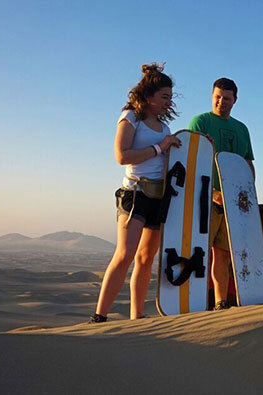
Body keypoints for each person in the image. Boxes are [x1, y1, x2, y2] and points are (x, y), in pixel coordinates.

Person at [90, 63, 182, 323]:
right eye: (164, 97)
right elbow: (122, 155)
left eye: (170, 98)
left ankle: (137, 317)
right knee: (125, 254)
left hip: (159, 194)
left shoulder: (164, 128)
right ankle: (100, 315)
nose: (167, 102)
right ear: (149, 95)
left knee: (146, 257)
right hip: (135, 192)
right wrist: (160, 147)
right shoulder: (130, 116)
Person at [188, 78, 254, 311]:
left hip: (234, 203)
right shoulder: (201, 122)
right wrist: (214, 192)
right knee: (198, 252)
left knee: (223, 255)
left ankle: (220, 302)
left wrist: (248, 193)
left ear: (234, 100)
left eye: (226, 98)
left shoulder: (241, 129)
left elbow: (247, 162)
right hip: (205, 198)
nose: (221, 101)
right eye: (217, 96)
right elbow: (192, 160)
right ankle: (193, 302)